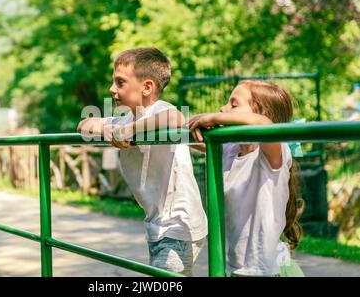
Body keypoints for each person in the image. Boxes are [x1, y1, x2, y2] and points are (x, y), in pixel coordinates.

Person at [77, 47, 207, 276]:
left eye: (120, 82)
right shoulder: (125, 118)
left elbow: (175, 118)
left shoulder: (159, 111)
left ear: (147, 87)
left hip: (179, 225)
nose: (112, 89)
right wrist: (107, 129)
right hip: (157, 225)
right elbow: (84, 125)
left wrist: (129, 131)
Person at [188, 80, 305, 277]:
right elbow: (190, 134)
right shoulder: (229, 149)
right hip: (237, 269)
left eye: (233, 104)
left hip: (268, 270)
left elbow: (266, 126)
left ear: (258, 114)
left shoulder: (272, 154)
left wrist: (214, 117)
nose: (223, 108)